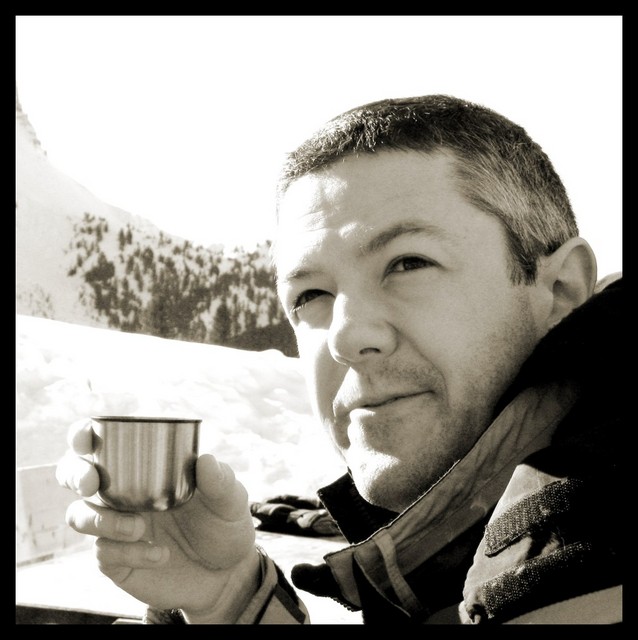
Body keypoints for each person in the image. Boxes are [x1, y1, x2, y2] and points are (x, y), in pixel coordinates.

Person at [56, 95, 623, 624]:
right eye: (310, 296)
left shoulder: (573, 560)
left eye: (408, 263)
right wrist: (227, 597)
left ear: (561, 290)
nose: (345, 337)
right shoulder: (478, 544)